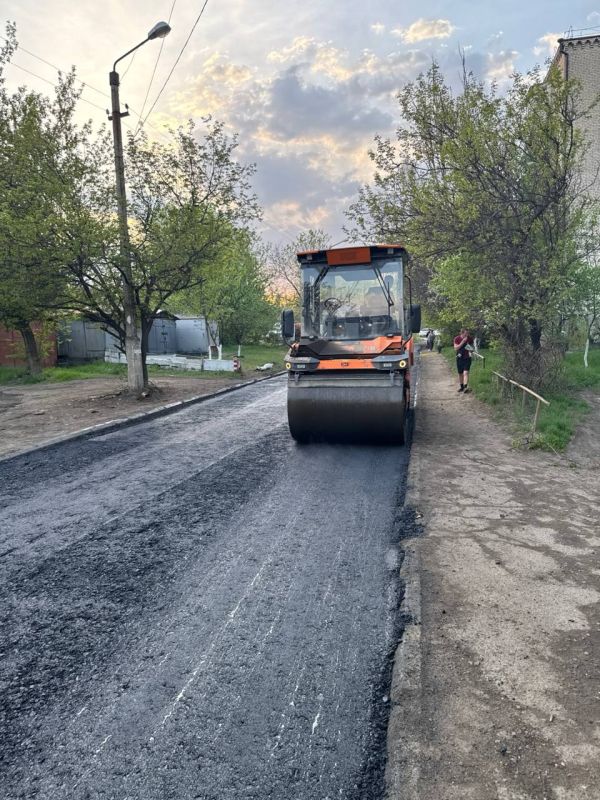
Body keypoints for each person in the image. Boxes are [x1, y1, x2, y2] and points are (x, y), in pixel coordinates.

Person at [453, 328, 474, 393]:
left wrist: (471, 349)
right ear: (461, 333)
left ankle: (465, 387)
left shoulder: (470, 338)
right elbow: (456, 348)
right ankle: (461, 387)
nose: (467, 335)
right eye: (465, 333)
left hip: (467, 357)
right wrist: (462, 342)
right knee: (460, 373)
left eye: (468, 333)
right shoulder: (456, 338)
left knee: (466, 372)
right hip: (459, 357)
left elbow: (472, 348)